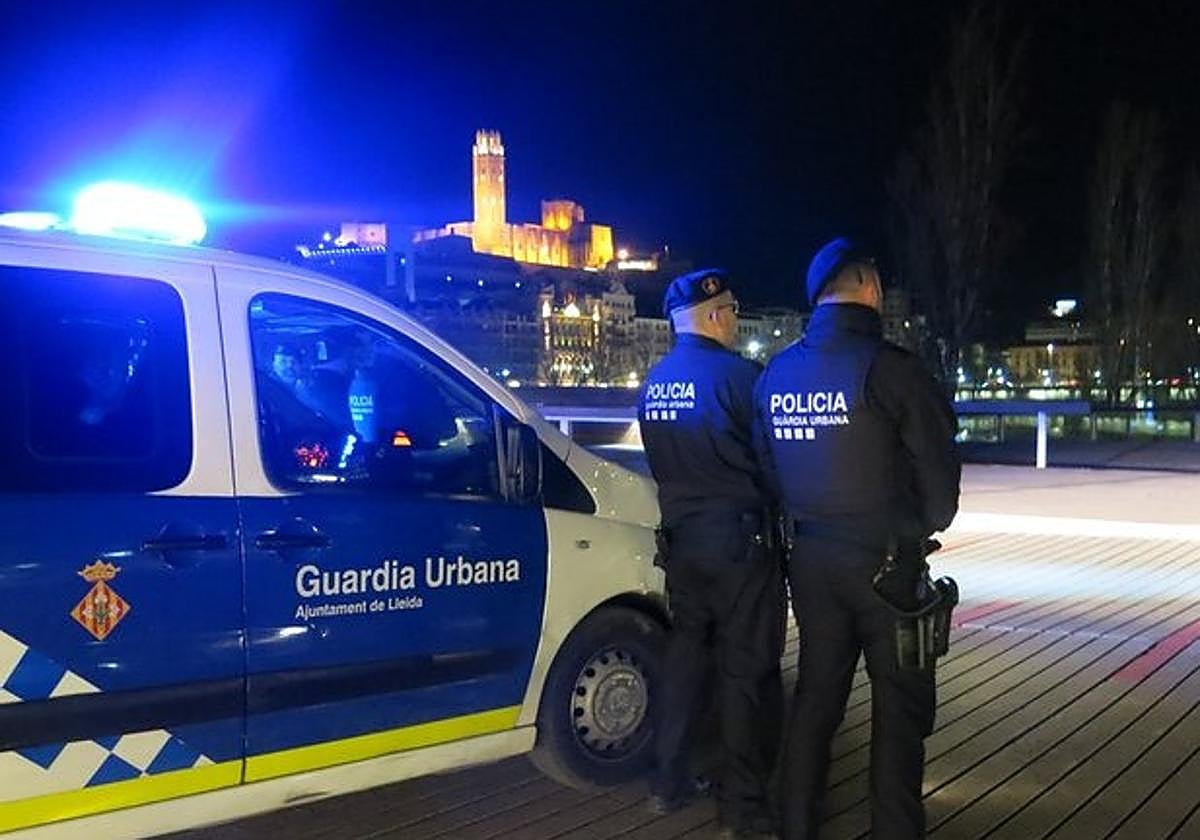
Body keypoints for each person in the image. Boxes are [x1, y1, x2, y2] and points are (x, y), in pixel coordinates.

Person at [754, 238, 961, 840]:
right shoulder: (894, 370)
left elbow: (770, 473)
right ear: (868, 284)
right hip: (888, 569)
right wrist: (915, 527)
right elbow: (940, 487)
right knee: (899, 713)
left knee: (817, 701)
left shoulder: (776, 375)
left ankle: (795, 825)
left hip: (812, 563)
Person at [640, 268, 785, 839]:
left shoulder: (654, 382)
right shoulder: (742, 378)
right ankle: (744, 808)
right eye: (732, 310)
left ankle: (667, 780)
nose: (734, 320)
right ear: (717, 315)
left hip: (681, 542)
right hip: (739, 543)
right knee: (745, 669)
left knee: (685, 660)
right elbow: (774, 464)